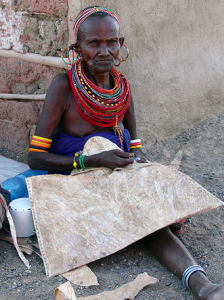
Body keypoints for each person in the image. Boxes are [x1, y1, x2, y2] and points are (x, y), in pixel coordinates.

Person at [28, 6, 224, 299]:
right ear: (78, 48)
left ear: (121, 45)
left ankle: (199, 279)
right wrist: (91, 160)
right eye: (94, 43)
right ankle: (201, 285)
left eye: (111, 42)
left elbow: (135, 144)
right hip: (80, 173)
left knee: (160, 188)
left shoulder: (122, 88)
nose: (104, 51)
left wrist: (140, 162)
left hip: (116, 169)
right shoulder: (63, 87)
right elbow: (35, 157)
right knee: (143, 213)